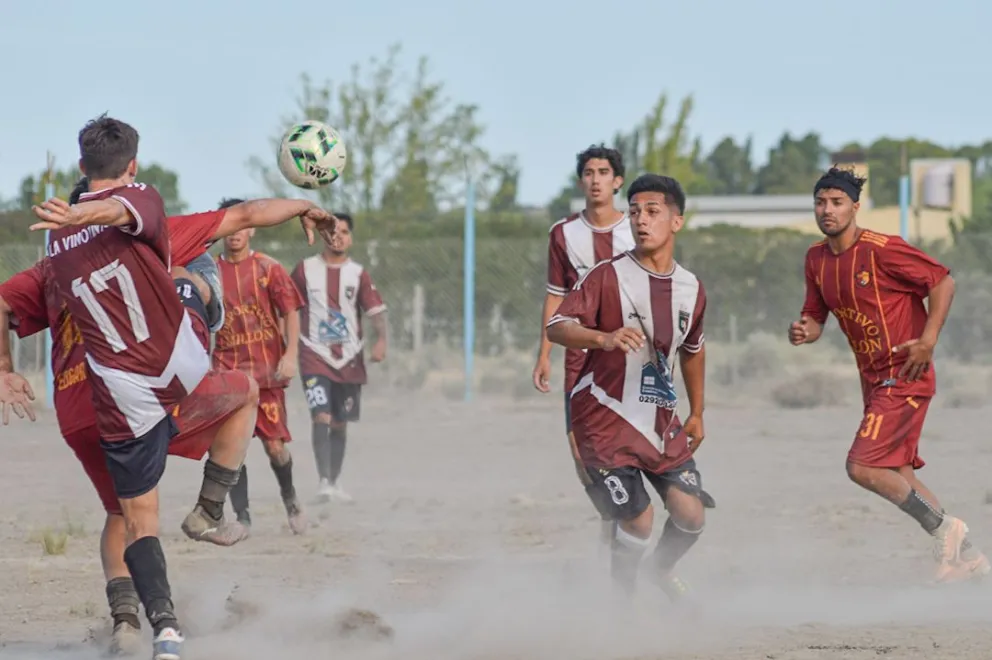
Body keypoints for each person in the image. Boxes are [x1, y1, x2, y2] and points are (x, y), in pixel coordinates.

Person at [25, 114, 334, 660]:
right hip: (176, 365)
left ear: (80, 167)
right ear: (133, 167)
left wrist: (73, 216)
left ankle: (158, 628)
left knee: (133, 518)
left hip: (117, 396)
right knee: (202, 304)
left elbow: (93, 223)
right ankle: (211, 509)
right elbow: (234, 213)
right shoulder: (141, 202)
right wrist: (304, 206)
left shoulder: (54, 250)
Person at [789, 166, 990, 583]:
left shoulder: (882, 249)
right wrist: (806, 329)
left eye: (837, 202)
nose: (827, 210)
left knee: (861, 467)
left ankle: (946, 529)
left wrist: (928, 339)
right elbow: (815, 314)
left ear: (855, 207)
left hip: (905, 374)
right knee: (898, 474)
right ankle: (966, 557)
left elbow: (942, 282)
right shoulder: (815, 258)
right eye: (820, 202)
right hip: (874, 379)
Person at [545, 173, 712, 603]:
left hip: (659, 418)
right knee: (639, 520)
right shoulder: (607, 276)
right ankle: (622, 603)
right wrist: (602, 338)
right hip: (603, 417)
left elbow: (693, 349)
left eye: (653, 212)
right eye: (635, 211)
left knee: (691, 515)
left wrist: (697, 411)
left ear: (677, 221)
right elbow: (557, 325)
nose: (641, 220)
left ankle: (659, 571)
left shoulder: (692, 288)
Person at [533, 144, 634, 547]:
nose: (596, 180)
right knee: (583, 455)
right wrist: (544, 353)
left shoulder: (636, 229)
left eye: (604, 172)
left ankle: (627, 526)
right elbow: (555, 297)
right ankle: (614, 517)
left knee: (629, 446)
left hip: (628, 353)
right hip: (578, 357)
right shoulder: (563, 233)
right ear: (581, 180)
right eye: (589, 172)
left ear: (618, 181)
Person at [213, 197, 306, 534]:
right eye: (230, 226)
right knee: (232, 450)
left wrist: (290, 353)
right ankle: (243, 517)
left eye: (241, 226)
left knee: (275, 447)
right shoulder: (209, 272)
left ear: (251, 229)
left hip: (266, 375)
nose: (236, 233)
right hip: (228, 375)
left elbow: (290, 311)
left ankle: (291, 499)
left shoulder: (269, 268)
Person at [291, 212, 387, 503]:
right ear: (324, 235)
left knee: (340, 422)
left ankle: (335, 480)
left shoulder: (358, 274)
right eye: (333, 232)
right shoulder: (305, 270)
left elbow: (374, 311)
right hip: (314, 354)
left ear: (351, 237)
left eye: (344, 232)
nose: (338, 237)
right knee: (321, 414)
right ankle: (323, 481)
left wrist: (381, 339)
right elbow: (287, 306)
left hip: (349, 357)